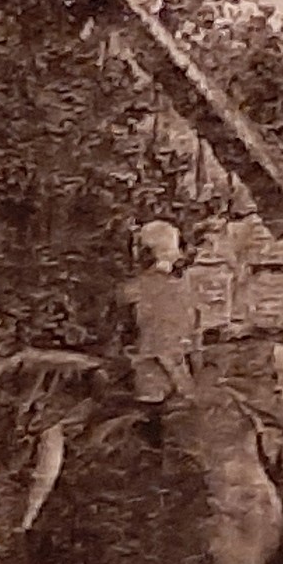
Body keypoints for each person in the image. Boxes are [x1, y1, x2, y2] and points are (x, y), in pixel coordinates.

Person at [20, 220, 205, 532]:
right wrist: (191, 389)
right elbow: (190, 351)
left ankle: (30, 518)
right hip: (178, 386)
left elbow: (129, 345)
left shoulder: (130, 291)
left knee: (55, 428)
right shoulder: (185, 293)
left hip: (142, 388)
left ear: (142, 253)